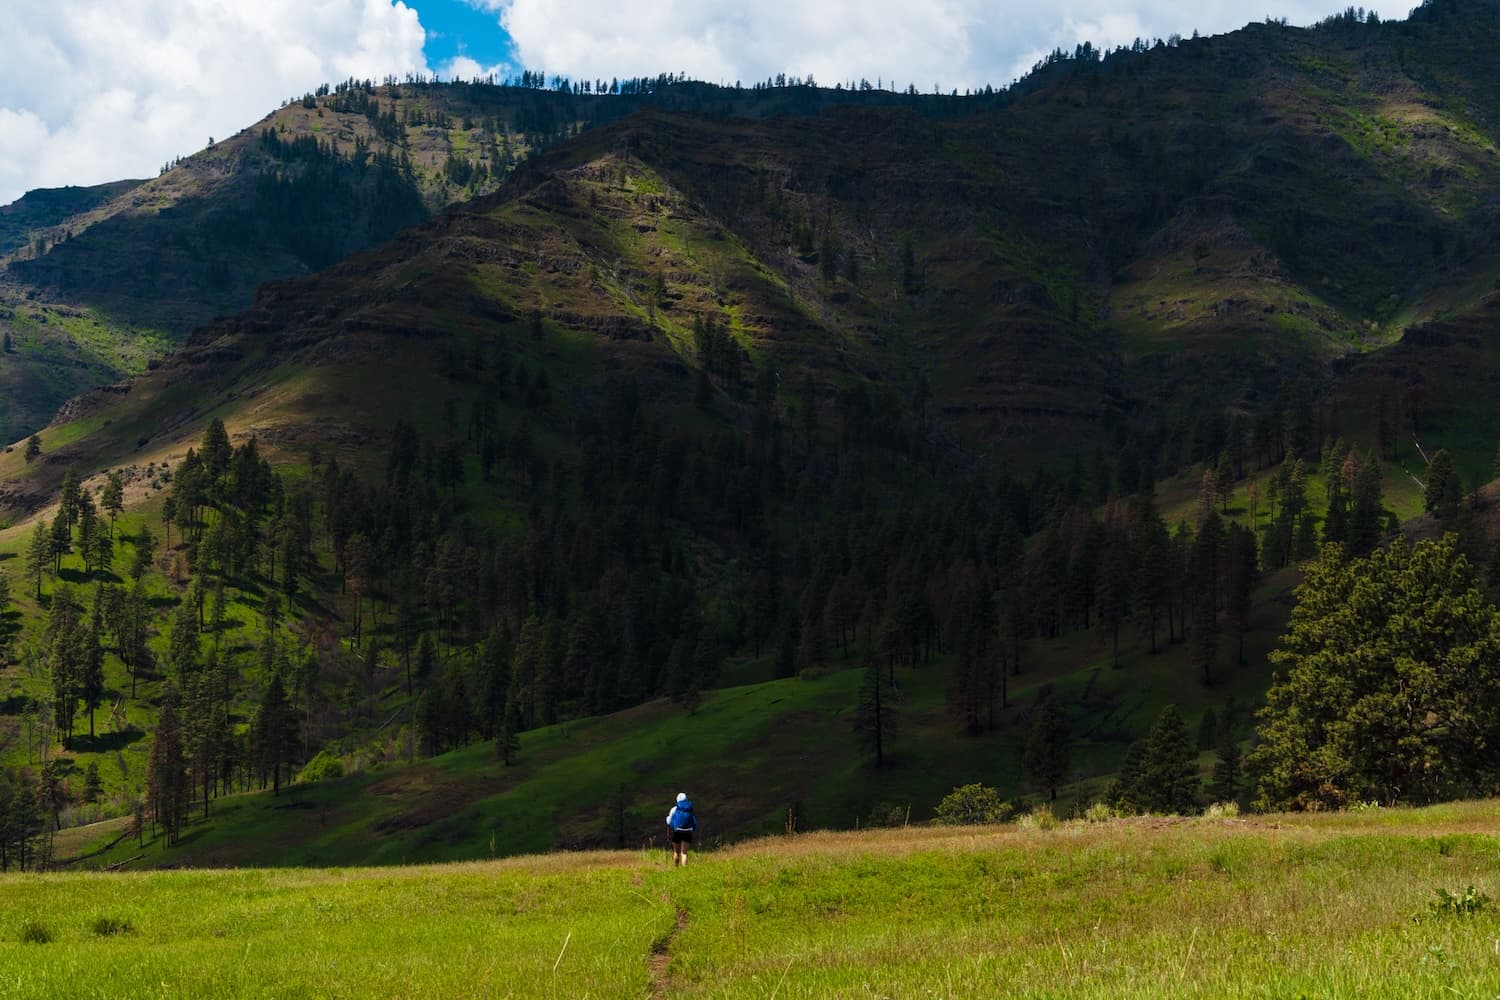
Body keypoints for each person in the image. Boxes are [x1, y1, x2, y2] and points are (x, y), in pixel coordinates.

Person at [665, 792, 697, 867]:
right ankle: (684, 870)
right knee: (684, 853)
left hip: (677, 832)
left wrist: (667, 819)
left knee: (676, 852)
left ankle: (676, 869)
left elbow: (669, 822)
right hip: (688, 832)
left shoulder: (674, 809)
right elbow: (694, 821)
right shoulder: (690, 809)